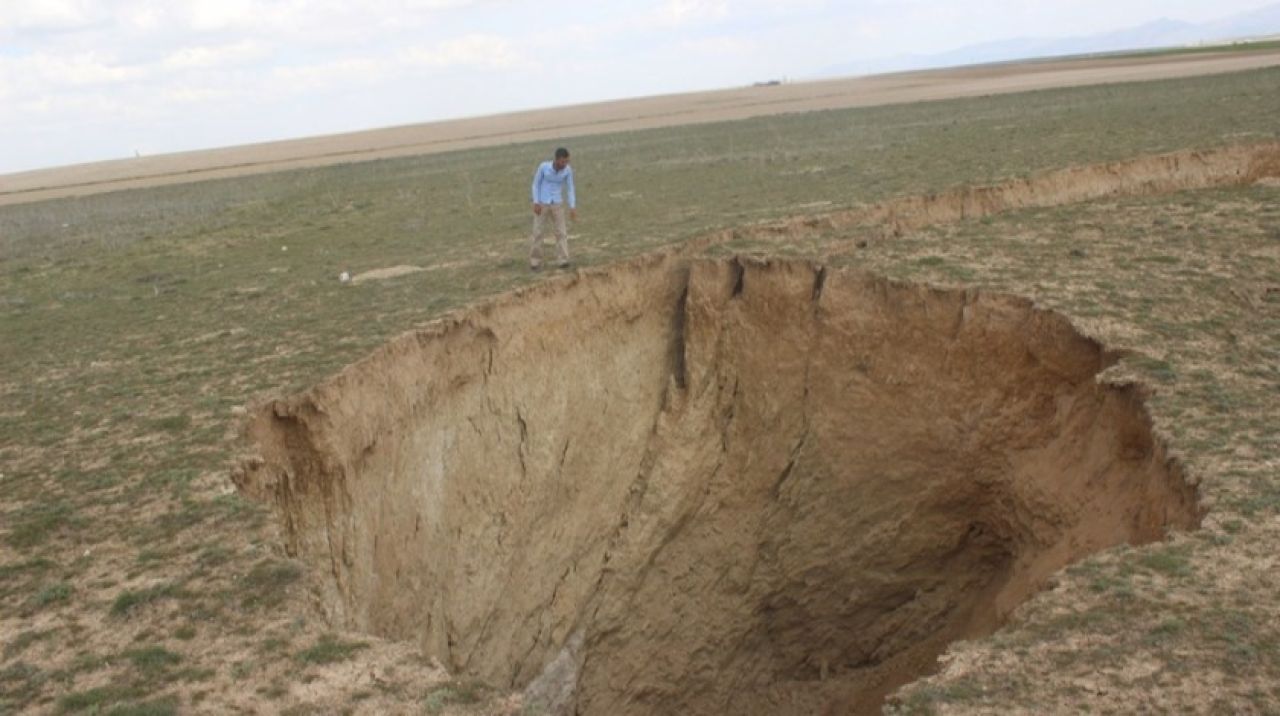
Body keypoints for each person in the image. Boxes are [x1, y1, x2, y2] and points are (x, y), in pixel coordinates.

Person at [529, 147, 577, 270]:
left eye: (566, 161)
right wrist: (535, 202)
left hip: (557, 203)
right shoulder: (544, 167)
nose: (564, 164)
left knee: (561, 232)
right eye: (562, 162)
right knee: (538, 232)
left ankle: (563, 260)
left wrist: (572, 206)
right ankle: (535, 262)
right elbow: (535, 184)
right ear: (556, 160)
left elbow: (570, 188)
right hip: (542, 204)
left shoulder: (567, 170)